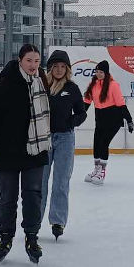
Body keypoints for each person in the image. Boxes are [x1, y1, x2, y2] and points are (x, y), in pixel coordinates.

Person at [0, 44, 51, 264]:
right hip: (7, 149)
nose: (33, 65)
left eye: (37, 61)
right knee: (8, 197)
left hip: (34, 149)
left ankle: (31, 236)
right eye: (29, 60)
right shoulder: (5, 84)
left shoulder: (41, 82)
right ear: (20, 60)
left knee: (33, 195)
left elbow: (49, 111)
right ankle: (6, 237)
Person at [39, 50, 87, 240]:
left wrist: (71, 122)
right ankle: (34, 219)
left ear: (67, 69)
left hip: (65, 138)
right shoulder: (42, 86)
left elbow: (82, 113)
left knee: (61, 181)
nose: (59, 69)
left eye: (62, 66)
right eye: (55, 66)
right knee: (39, 181)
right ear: (50, 68)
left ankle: (58, 221)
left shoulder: (72, 88)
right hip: (44, 138)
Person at [83, 60, 134, 185]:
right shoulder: (93, 84)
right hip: (100, 119)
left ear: (106, 73)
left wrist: (129, 120)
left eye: (101, 72)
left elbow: (121, 103)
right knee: (96, 144)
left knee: (104, 144)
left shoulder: (113, 85)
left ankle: (102, 172)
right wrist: (79, 115)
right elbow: (87, 102)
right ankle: (96, 169)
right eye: (97, 71)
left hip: (113, 120)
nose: (99, 74)